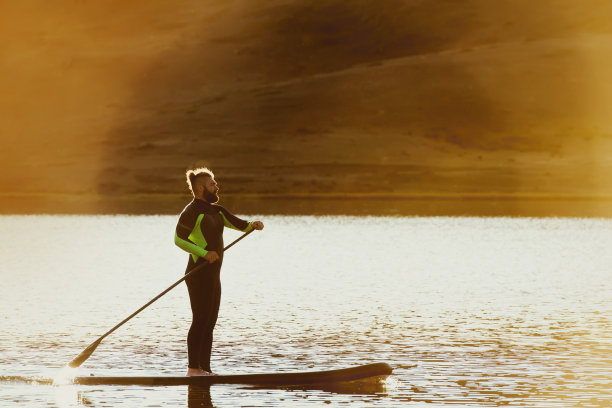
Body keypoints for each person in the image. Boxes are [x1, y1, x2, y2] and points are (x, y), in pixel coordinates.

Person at [174, 167, 264, 376]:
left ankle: (205, 370)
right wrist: (204, 253)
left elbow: (241, 225)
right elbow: (179, 239)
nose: (216, 186)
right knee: (200, 319)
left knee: (210, 321)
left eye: (215, 183)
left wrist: (253, 225)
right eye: (212, 184)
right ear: (200, 188)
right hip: (197, 274)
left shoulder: (217, 211)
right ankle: (192, 369)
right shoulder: (191, 212)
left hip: (213, 276)